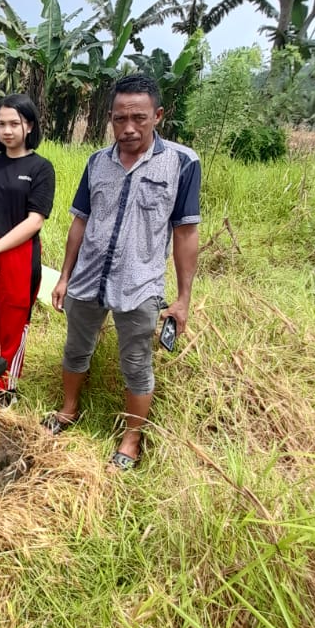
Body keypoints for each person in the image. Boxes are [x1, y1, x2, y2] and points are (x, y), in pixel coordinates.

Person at [46, 73, 200, 470]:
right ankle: (68, 409)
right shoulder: (97, 161)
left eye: (139, 118)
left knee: (135, 361)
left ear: (158, 115)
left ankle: (131, 438)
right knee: (76, 348)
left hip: (140, 283)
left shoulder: (182, 163)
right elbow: (80, 221)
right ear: (109, 117)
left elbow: (185, 232)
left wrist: (183, 299)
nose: (128, 128)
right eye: (119, 119)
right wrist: (64, 276)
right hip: (89, 277)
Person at [0, 94, 55, 406]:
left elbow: (35, 220)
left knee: (14, 323)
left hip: (19, 254)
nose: (7, 130)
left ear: (28, 126)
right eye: (1, 123)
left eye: (14, 123)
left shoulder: (41, 168)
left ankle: (6, 388)